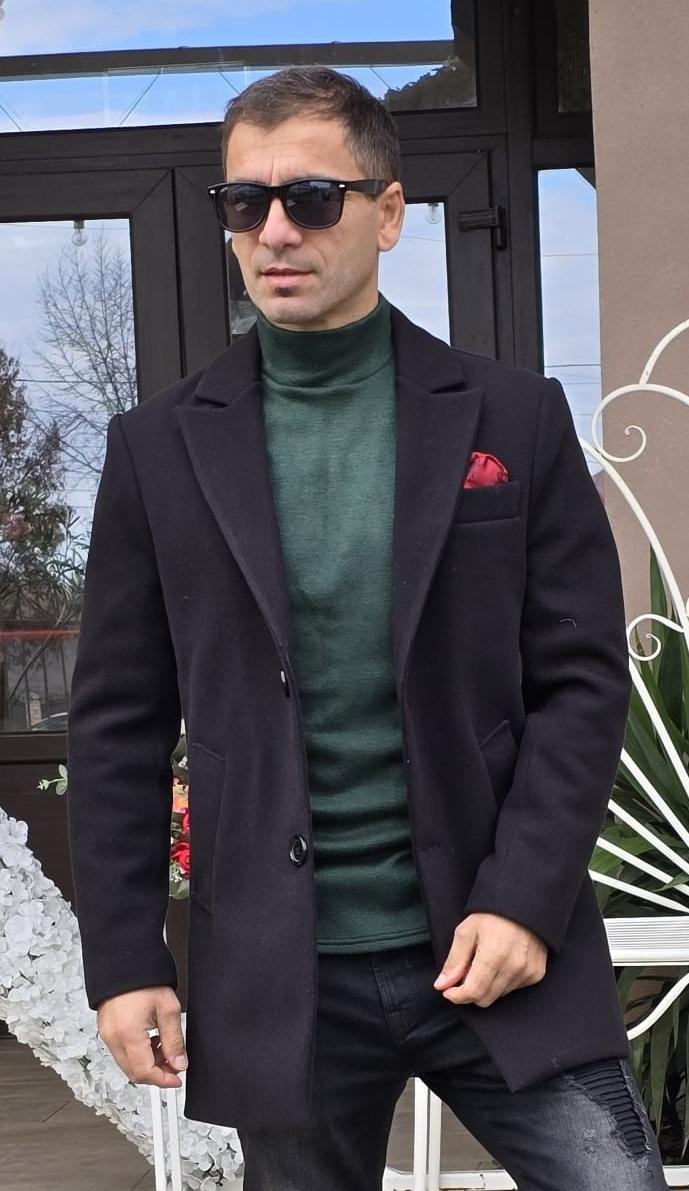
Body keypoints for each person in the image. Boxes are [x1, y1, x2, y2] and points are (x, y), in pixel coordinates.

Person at [66, 66, 668, 1190]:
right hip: (279, 971)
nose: (274, 231)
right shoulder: (156, 451)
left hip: (495, 945)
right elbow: (115, 728)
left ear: (387, 213)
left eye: (310, 198)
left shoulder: (512, 417)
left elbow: (581, 682)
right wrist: (125, 957)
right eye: (244, 203)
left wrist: (524, 897)